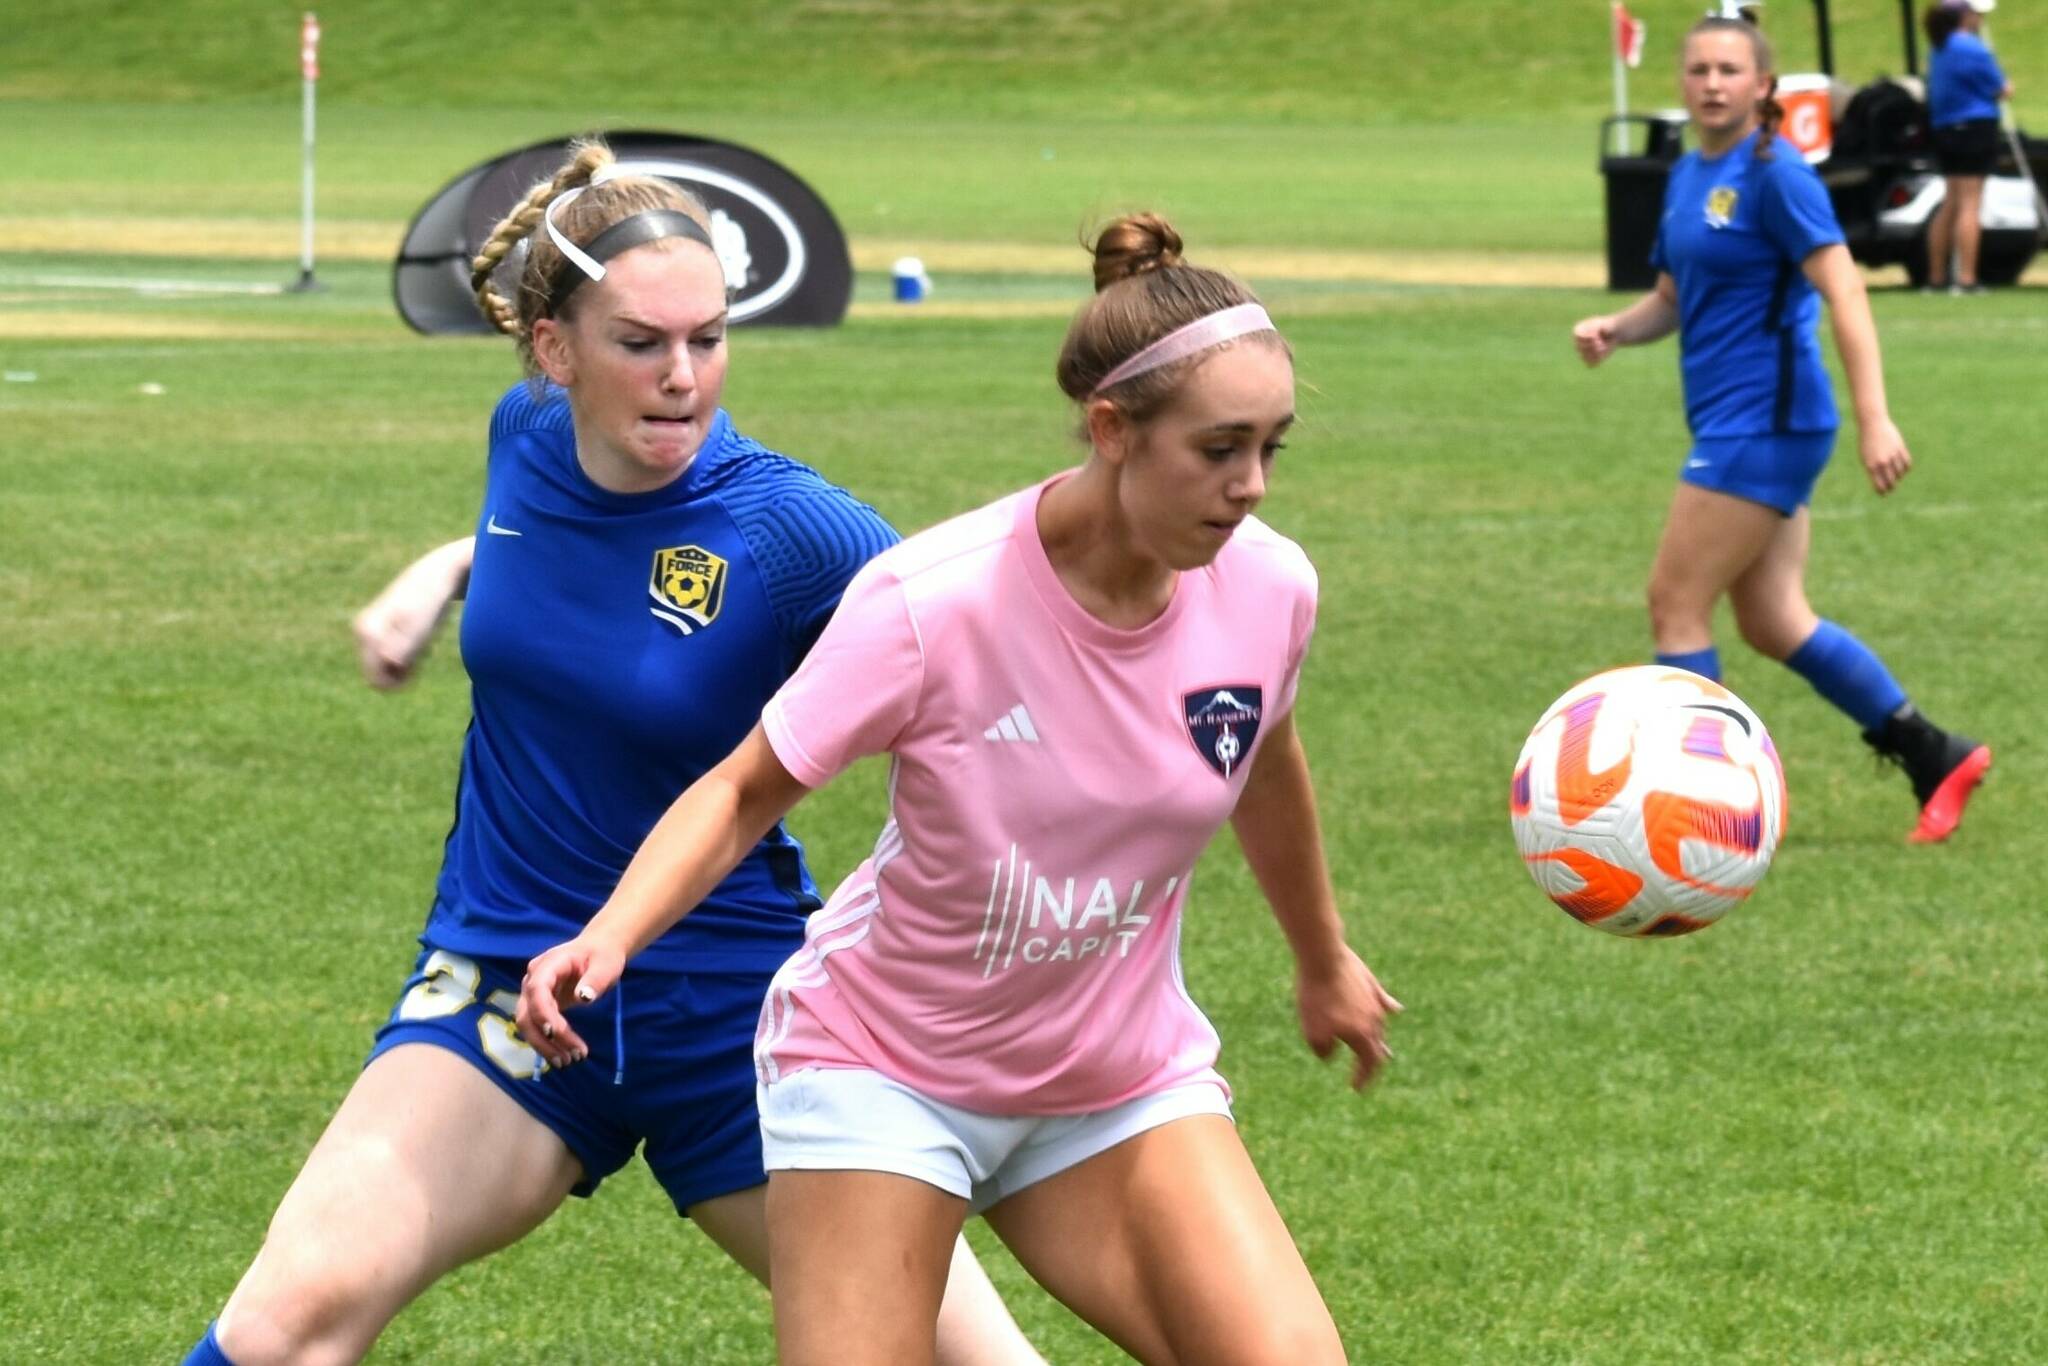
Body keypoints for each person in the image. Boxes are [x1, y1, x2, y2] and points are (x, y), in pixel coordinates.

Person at [181, 140, 1040, 1366]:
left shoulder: (793, 528)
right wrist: (446, 570)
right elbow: (565, 562)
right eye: (641, 343)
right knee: (278, 1328)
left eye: (710, 338)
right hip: (503, 984)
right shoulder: (522, 434)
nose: (684, 377)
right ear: (554, 353)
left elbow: (985, 666)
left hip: (735, 1017)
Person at [517, 213, 1401, 1365]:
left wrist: (1321, 957)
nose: (1249, 488)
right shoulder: (932, 601)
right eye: (1219, 449)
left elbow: (1261, 762)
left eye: (1271, 449)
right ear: (1110, 429)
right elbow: (742, 790)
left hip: (1112, 1079)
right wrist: (610, 935)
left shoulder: (1268, 587)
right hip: (885, 1072)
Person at [1571, 17, 1992, 843]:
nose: (1713, 82)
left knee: (1675, 604)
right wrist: (1618, 329)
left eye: (1730, 68)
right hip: (1742, 421)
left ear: (1764, 86)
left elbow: (1846, 291)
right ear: (1683, 82)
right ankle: (1934, 751)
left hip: (1766, 421)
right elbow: (1672, 297)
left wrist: (1876, 418)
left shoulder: (1777, 174)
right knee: (1772, 620)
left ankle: (1701, 812)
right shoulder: (1688, 173)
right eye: (1698, 69)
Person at [1924, 0, 2014, 292]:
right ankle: (1967, 278)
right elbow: (2000, 88)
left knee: (1950, 201)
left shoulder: (1938, 47)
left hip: (1945, 129)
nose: (1980, 20)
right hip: (1974, 127)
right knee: (1970, 203)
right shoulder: (1972, 48)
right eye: (1977, 14)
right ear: (1964, 15)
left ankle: (1936, 278)